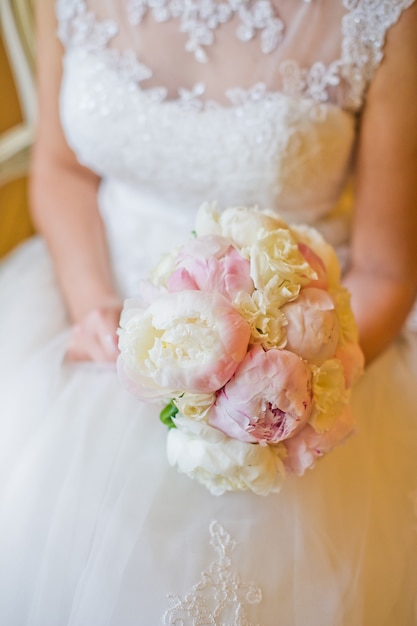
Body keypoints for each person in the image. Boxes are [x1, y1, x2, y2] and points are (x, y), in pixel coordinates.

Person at [0, 0, 417, 624]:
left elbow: (389, 268)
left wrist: (290, 382)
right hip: (98, 299)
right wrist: (93, 308)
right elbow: (62, 170)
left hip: (301, 335)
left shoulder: (382, 15)